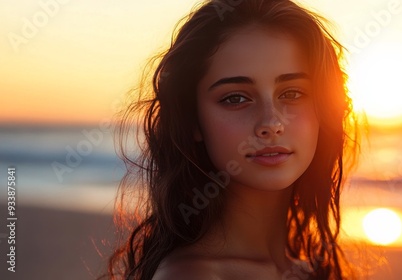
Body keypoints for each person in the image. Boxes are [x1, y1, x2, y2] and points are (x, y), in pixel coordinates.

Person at [105, 0, 359, 279]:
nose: (271, 123)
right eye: (235, 98)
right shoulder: (192, 275)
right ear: (193, 121)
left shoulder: (310, 270)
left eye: (292, 94)